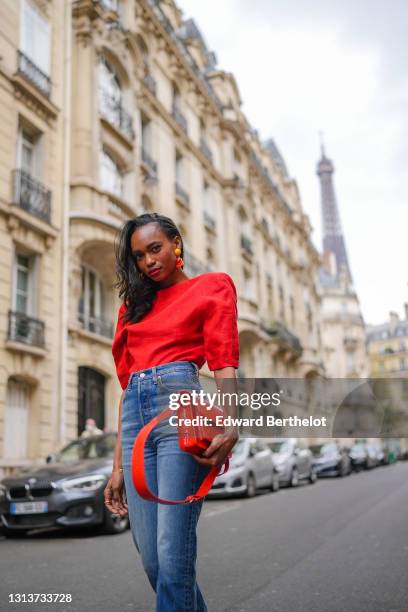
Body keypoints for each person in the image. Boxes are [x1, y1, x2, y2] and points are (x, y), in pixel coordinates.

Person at [103, 212, 240, 612]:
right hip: (135, 418)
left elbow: (223, 361)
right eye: (140, 255)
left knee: (173, 557)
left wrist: (231, 421)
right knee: (153, 560)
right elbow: (126, 386)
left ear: (177, 244)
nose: (149, 261)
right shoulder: (133, 307)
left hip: (179, 410)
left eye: (156, 248)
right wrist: (117, 466)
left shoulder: (212, 286)